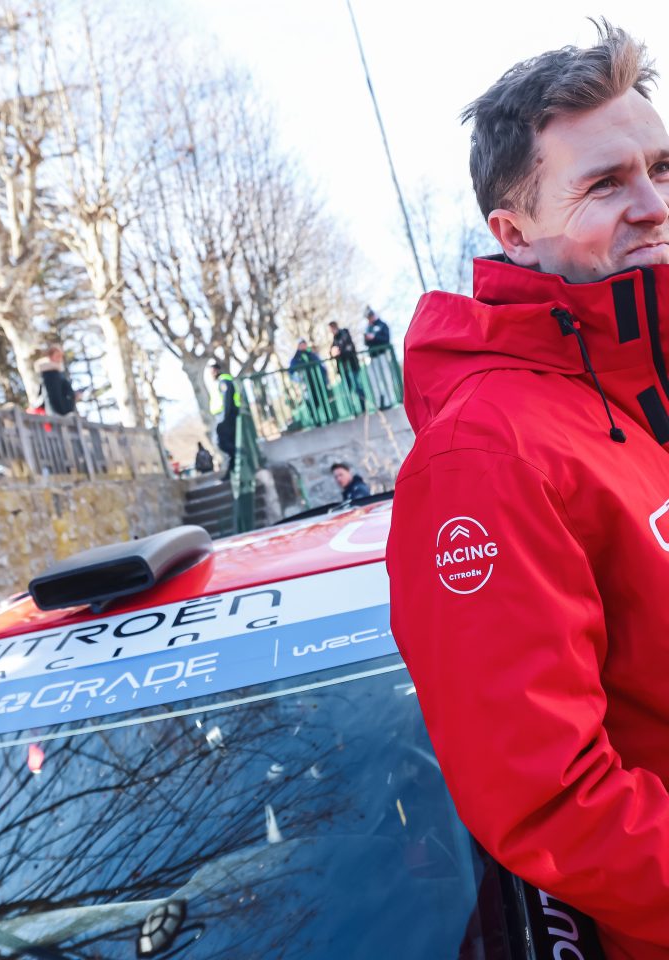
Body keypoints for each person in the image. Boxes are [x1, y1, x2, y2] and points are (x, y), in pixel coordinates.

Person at [387, 23, 669, 960]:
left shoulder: (642, 387)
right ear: (514, 234)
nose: (652, 205)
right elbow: (554, 801)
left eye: (661, 168)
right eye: (605, 184)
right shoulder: (486, 455)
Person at [208, 360, 240, 480]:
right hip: (223, 416)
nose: (211, 374)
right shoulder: (220, 382)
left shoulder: (224, 381)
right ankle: (232, 468)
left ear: (216, 370)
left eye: (212, 370)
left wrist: (225, 419)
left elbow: (228, 400)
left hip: (226, 416)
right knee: (226, 443)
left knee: (220, 442)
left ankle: (236, 460)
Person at [289, 338, 330, 424]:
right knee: (311, 403)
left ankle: (327, 418)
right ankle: (315, 420)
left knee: (322, 399)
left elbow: (321, 365)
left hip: (317, 381)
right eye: (301, 344)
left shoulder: (311, 354)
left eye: (304, 344)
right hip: (306, 384)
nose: (303, 346)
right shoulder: (295, 359)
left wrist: (325, 377)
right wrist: (299, 380)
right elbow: (291, 373)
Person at [328, 320, 365, 414]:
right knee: (348, 389)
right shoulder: (334, 340)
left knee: (357, 387)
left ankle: (363, 408)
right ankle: (353, 410)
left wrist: (339, 353)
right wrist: (332, 353)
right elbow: (331, 352)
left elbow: (349, 349)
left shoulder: (344, 333)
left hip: (351, 366)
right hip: (343, 369)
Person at [363, 306, 393, 409]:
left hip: (382, 355)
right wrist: (368, 337)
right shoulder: (368, 328)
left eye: (370, 316)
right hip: (373, 357)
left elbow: (386, 339)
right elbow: (366, 342)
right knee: (377, 380)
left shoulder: (382, 325)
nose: (369, 318)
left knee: (386, 378)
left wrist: (374, 337)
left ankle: (391, 400)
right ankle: (382, 403)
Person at [34, 345, 77, 416]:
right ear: (50, 357)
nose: (60, 359)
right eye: (57, 356)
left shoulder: (59, 373)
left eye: (61, 356)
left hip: (62, 410)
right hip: (55, 411)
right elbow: (52, 395)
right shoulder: (49, 374)